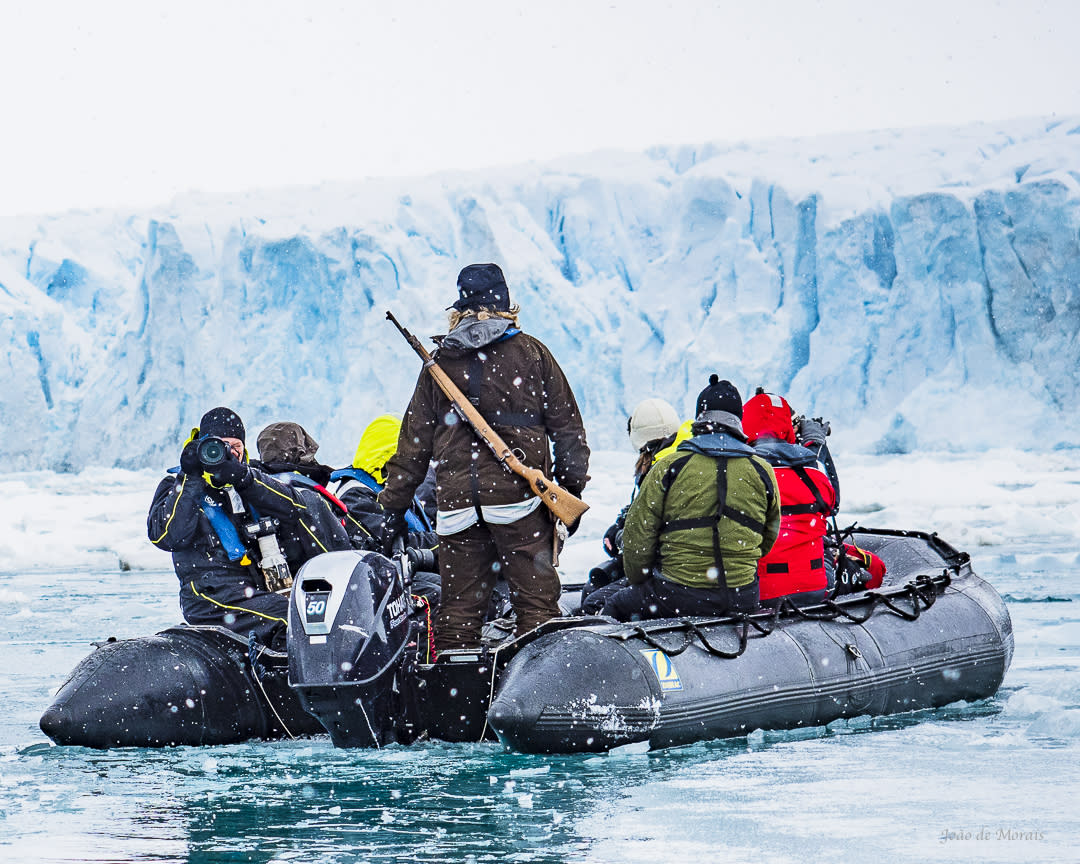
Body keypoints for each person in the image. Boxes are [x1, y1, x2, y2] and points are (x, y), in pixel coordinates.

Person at [378, 263, 590, 652]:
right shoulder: (532, 354)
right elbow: (568, 431)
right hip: (519, 504)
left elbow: (412, 448)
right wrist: (566, 491)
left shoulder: (439, 362)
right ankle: (535, 699)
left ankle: (456, 706)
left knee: (458, 613)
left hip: (457, 507)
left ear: (460, 305)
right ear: (506, 302)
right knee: (536, 607)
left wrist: (391, 510)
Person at [147, 407, 353, 648]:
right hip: (209, 597)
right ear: (202, 446)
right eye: (220, 446)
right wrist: (190, 477)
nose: (228, 453)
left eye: (236, 446)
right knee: (294, 618)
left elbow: (293, 508)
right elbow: (167, 536)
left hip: (256, 590)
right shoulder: (177, 486)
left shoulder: (249, 479)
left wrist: (242, 477)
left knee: (313, 614)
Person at [602, 376, 780, 621]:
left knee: (613, 606)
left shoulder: (670, 466)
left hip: (678, 595)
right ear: (738, 420)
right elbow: (769, 536)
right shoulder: (763, 470)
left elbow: (638, 538)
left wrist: (642, 582)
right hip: (743, 596)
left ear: (700, 416)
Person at [580, 397, 681, 614]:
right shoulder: (685, 461)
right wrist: (622, 523)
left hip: (664, 572)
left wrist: (619, 536)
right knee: (598, 584)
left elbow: (647, 535)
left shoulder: (659, 469)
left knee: (593, 600)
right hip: (676, 570)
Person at [742, 390, 838, 607]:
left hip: (761, 592)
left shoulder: (742, 476)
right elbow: (832, 505)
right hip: (816, 588)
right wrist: (815, 445)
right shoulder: (813, 474)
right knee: (824, 542)